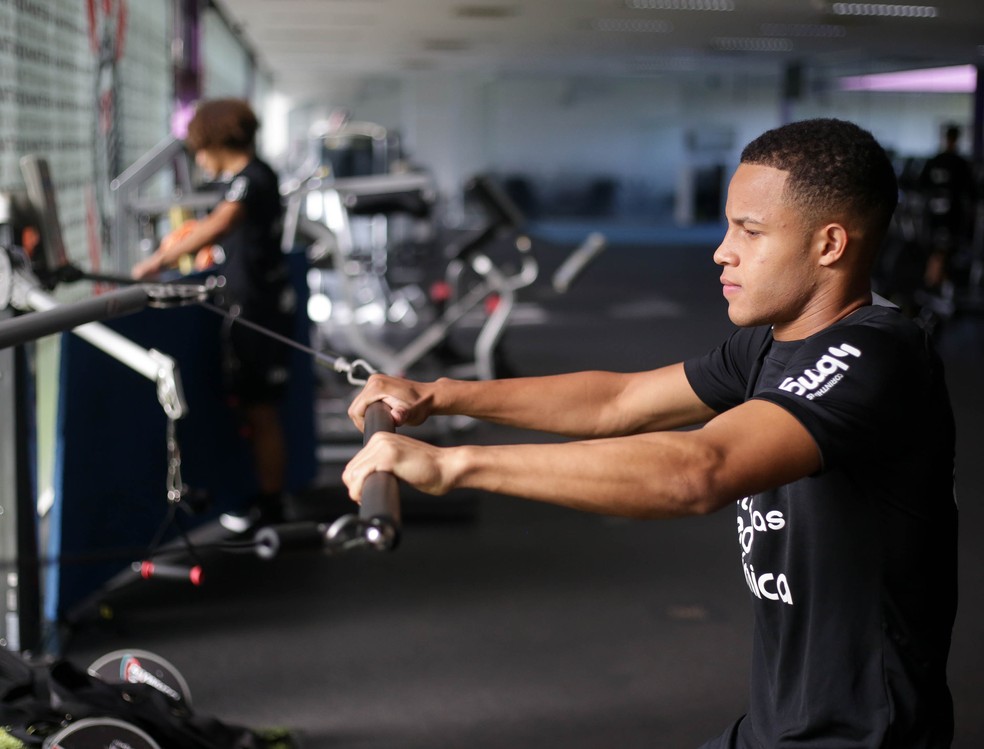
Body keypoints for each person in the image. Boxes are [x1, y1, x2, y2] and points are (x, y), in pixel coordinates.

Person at [343, 119, 957, 748]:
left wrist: (453, 466)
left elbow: (698, 470)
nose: (722, 251)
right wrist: (437, 395)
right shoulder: (771, 344)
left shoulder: (873, 356)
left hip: (858, 736)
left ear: (829, 245)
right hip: (778, 726)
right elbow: (620, 401)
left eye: (750, 231)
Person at [132, 97, 296, 532]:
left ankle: (272, 505)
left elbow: (222, 222)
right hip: (246, 306)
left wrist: (159, 260)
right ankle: (261, 497)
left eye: (200, 149)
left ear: (217, 142)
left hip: (257, 310)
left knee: (260, 409)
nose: (199, 159)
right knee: (250, 406)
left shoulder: (252, 179)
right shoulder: (247, 180)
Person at [919, 124, 977, 291]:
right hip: (949, 217)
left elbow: (922, 185)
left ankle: (937, 284)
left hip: (937, 216)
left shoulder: (935, 161)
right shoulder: (960, 163)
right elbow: (971, 191)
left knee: (940, 251)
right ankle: (933, 284)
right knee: (941, 251)